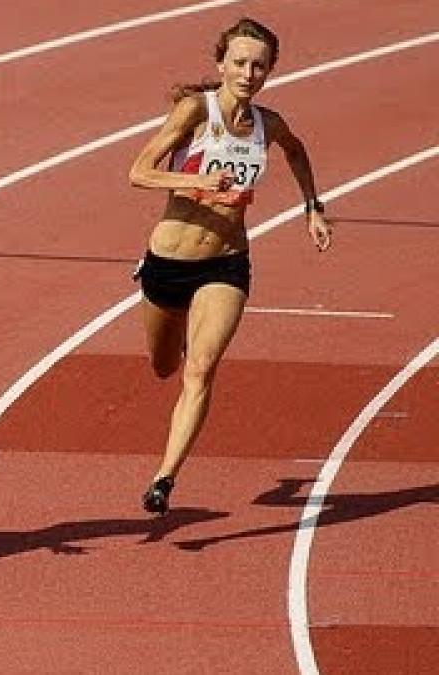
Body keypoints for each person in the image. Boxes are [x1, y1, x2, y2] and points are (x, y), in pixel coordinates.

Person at [128, 18, 332, 514]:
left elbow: (298, 154)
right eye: (240, 62)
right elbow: (138, 172)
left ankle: (164, 479)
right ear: (221, 64)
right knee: (163, 366)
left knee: (200, 369)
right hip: (168, 261)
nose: (248, 72)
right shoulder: (195, 112)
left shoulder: (270, 125)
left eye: (259, 65)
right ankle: (176, 325)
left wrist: (313, 207)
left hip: (226, 262)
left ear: (270, 72)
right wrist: (193, 185)